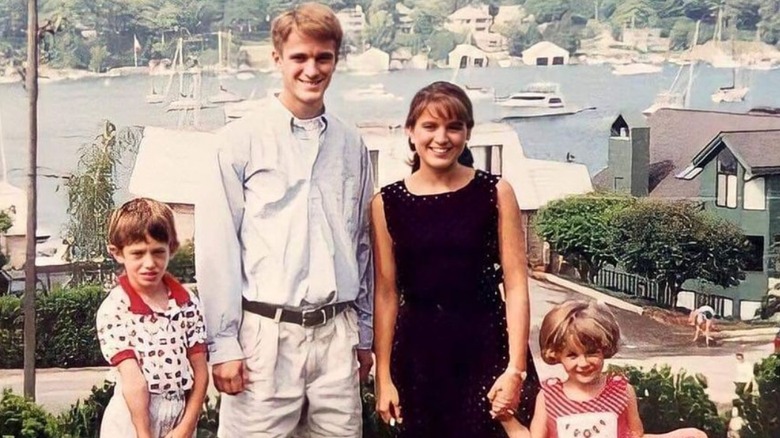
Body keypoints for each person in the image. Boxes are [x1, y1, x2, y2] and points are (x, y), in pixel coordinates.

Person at [194, 3, 374, 437]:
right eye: (300, 57)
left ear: (335, 60)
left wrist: (364, 333)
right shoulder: (238, 141)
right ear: (277, 59)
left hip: (337, 336)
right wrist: (223, 344)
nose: (312, 70)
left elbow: (363, 244)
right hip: (263, 341)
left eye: (323, 57)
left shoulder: (353, 144)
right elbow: (218, 249)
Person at [372, 81, 540, 437]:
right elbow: (386, 294)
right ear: (410, 133)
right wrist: (383, 375)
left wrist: (516, 369)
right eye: (430, 126)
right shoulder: (386, 203)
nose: (441, 137)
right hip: (419, 359)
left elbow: (516, 286)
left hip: (488, 350)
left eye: (453, 126)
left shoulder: (496, 192)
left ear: (467, 133)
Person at [505, 300, 707, 438]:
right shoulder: (549, 396)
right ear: (556, 355)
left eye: (592, 352)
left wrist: (675, 436)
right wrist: (507, 420)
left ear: (604, 349)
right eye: (572, 355)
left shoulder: (621, 391)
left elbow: (635, 436)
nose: (583, 363)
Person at [96, 198, 208, 438]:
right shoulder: (115, 308)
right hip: (133, 419)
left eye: (158, 252)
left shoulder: (186, 302)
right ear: (117, 253)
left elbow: (200, 371)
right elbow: (134, 382)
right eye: (138, 253)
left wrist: (187, 426)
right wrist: (144, 434)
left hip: (180, 414)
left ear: (171, 248)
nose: (150, 263)